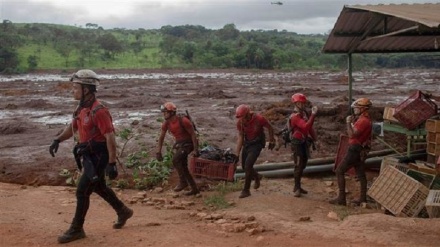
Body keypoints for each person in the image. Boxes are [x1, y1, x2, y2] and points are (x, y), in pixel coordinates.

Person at [49, 69, 133, 244]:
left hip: (99, 155)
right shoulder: (81, 109)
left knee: (82, 191)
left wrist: (111, 163)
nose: (72, 91)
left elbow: (110, 137)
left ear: (86, 90)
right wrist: (57, 139)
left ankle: (76, 229)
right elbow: (72, 128)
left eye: (75, 88)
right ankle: (122, 210)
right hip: (88, 155)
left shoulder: (99, 111)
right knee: (98, 186)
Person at [329, 98, 372, 206]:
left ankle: (341, 198)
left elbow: (352, 134)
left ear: (363, 109)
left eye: (357, 108)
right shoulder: (365, 120)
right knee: (361, 174)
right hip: (360, 149)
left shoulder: (363, 121)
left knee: (339, 171)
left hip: (354, 149)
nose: (355, 110)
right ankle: (363, 199)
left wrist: (348, 123)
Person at [156, 102, 200, 196]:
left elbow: (193, 135)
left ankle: (183, 182)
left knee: (176, 160)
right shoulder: (166, 123)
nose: (164, 114)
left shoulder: (183, 121)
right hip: (180, 144)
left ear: (171, 113)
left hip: (189, 144)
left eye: (165, 112)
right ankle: (194, 189)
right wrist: (158, 151)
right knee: (183, 166)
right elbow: (161, 138)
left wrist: (196, 150)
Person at [234, 104, 275, 199]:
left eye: (243, 117)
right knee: (244, 166)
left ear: (248, 114)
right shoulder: (240, 123)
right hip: (247, 143)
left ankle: (246, 190)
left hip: (257, 143)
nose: (242, 120)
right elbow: (240, 137)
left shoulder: (259, 119)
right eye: (240, 118)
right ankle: (256, 176)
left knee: (248, 165)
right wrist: (237, 153)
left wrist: (272, 140)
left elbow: (269, 127)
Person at [289, 93, 318, 197]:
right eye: (300, 103)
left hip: (303, 141)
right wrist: (313, 115)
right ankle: (296, 187)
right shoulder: (294, 117)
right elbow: (306, 127)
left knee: (303, 164)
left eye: (303, 103)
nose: (302, 104)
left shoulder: (304, 114)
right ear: (296, 103)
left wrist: (315, 139)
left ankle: (298, 186)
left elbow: (310, 128)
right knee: (298, 165)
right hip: (297, 143)